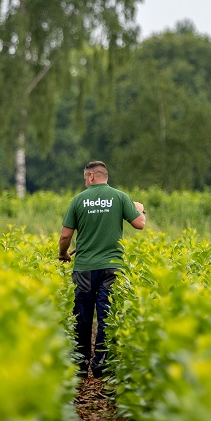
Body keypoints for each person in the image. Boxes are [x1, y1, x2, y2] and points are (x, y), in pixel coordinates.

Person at [58, 161, 146, 378]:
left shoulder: (78, 200)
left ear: (90, 177)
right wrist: (140, 208)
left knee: (82, 315)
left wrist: (63, 254)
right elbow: (140, 224)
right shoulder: (120, 197)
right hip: (112, 268)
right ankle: (101, 364)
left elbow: (65, 236)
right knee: (106, 314)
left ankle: (80, 365)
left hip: (84, 268)